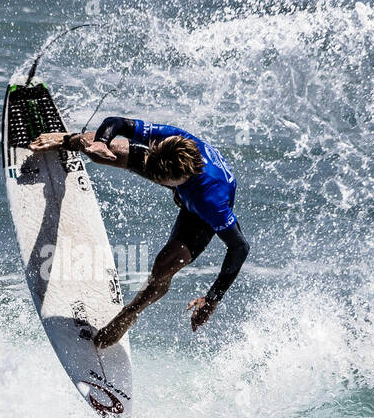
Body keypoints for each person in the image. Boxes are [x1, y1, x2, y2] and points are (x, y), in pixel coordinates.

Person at [29, 116, 249, 348]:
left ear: (178, 181)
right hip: (171, 164)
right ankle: (68, 140)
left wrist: (212, 298)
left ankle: (129, 314)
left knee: (164, 266)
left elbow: (239, 247)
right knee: (99, 150)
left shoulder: (210, 202)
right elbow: (118, 123)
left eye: (160, 180)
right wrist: (102, 142)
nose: (153, 180)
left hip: (197, 201)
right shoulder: (172, 139)